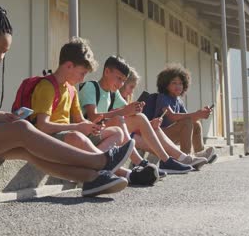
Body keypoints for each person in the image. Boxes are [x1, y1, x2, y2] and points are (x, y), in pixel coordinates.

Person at [0, 3, 133, 197]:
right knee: (23, 129)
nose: (1, 57)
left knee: (27, 151)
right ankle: (100, 161)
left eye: (5, 53)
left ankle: (92, 178)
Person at [30, 37, 159, 186]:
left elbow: (80, 120)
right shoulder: (47, 86)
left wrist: (92, 126)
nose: (83, 78)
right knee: (77, 136)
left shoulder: (71, 89)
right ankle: (127, 174)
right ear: (69, 66)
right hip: (50, 138)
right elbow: (42, 126)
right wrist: (77, 127)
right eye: (82, 73)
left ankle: (103, 168)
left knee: (116, 131)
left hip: (69, 135)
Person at [79, 56, 208, 173]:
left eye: (123, 81)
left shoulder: (114, 93)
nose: (120, 84)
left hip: (110, 131)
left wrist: (138, 114)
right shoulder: (91, 87)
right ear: (107, 72)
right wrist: (125, 111)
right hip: (91, 133)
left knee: (141, 118)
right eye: (118, 78)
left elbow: (128, 113)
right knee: (120, 118)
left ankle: (171, 160)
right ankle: (144, 162)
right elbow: (94, 117)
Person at [154, 64, 217, 163]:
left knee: (196, 124)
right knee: (188, 121)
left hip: (172, 134)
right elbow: (172, 116)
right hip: (161, 134)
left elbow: (189, 120)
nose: (178, 86)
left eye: (180, 83)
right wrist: (196, 114)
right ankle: (185, 157)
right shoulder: (163, 97)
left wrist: (201, 114)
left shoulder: (178, 100)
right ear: (165, 84)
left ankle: (199, 153)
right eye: (174, 83)